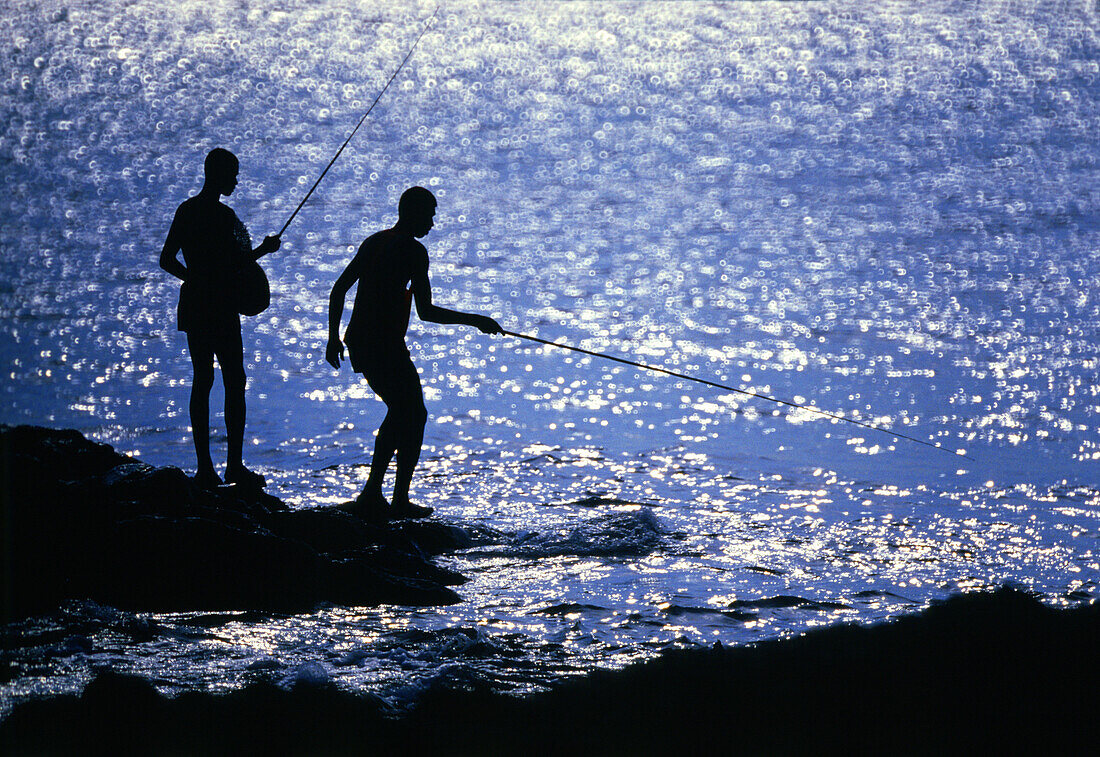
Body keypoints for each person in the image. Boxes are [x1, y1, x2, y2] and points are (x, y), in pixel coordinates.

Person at [326, 186, 501, 519]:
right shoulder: (414, 252)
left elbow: (339, 289)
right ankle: (392, 498)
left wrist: (333, 338)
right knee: (412, 412)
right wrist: (476, 321)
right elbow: (427, 311)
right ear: (411, 212)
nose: (433, 223)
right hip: (383, 344)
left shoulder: (374, 241)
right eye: (430, 215)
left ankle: (377, 494)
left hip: (360, 340)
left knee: (403, 410)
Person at [159, 147, 280, 490]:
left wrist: (192, 278)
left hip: (197, 304)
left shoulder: (187, 211)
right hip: (220, 307)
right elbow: (240, 262)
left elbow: (167, 259)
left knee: (204, 381)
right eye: (233, 175)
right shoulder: (226, 218)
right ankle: (231, 468)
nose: (236, 182)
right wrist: (264, 250)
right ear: (217, 174)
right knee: (232, 382)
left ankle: (208, 470)